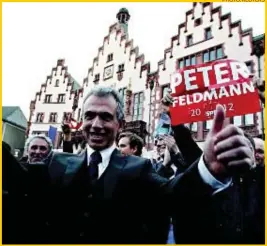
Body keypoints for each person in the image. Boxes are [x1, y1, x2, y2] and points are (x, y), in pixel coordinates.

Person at [4, 86, 254, 244]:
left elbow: (173, 195)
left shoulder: (139, 168)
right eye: (90, 116)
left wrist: (207, 168)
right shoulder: (56, 163)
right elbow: (16, 177)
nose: (97, 124)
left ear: (119, 125)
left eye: (106, 117)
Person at [161, 91, 264, 244]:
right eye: (235, 147)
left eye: (254, 150)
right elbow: (190, 149)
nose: (242, 153)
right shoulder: (218, 174)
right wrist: (174, 115)